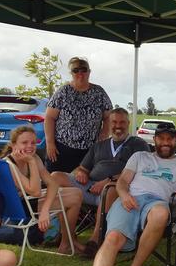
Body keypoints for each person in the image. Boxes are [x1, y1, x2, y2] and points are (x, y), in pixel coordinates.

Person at [91, 123, 176, 266]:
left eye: (170, 139)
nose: (165, 142)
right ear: (154, 139)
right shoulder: (140, 156)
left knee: (160, 214)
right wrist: (124, 195)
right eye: (161, 138)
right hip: (131, 198)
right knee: (113, 238)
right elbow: (123, 181)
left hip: (158, 201)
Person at [50, 108, 149, 252]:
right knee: (55, 177)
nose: (118, 126)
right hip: (90, 186)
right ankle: (67, 238)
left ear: (128, 123)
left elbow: (141, 172)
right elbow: (82, 168)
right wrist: (81, 173)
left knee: (110, 188)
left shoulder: (138, 145)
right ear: (109, 123)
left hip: (116, 188)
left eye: (122, 122)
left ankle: (94, 240)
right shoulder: (99, 145)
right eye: (114, 122)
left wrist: (108, 180)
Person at [2, 125, 86, 254]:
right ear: (14, 145)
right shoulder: (9, 164)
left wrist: (45, 210)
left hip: (31, 200)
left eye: (33, 143)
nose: (30, 146)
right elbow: (34, 191)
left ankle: (66, 241)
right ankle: (66, 243)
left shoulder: (34, 157)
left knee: (76, 193)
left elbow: (52, 183)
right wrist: (30, 162)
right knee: (74, 198)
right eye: (24, 143)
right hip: (19, 207)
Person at [45, 56, 113, 173]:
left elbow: (109, 117)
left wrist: (105, 132)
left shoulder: (99, 92)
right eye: (76, 70)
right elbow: (49, 118)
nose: (80, 73)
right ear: (71, 73)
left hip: (89, 151)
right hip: (61, 149)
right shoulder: (63, 92)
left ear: (89, 72)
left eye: (83, 70)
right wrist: (50, 143)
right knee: (54, 182)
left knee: (82, 185)